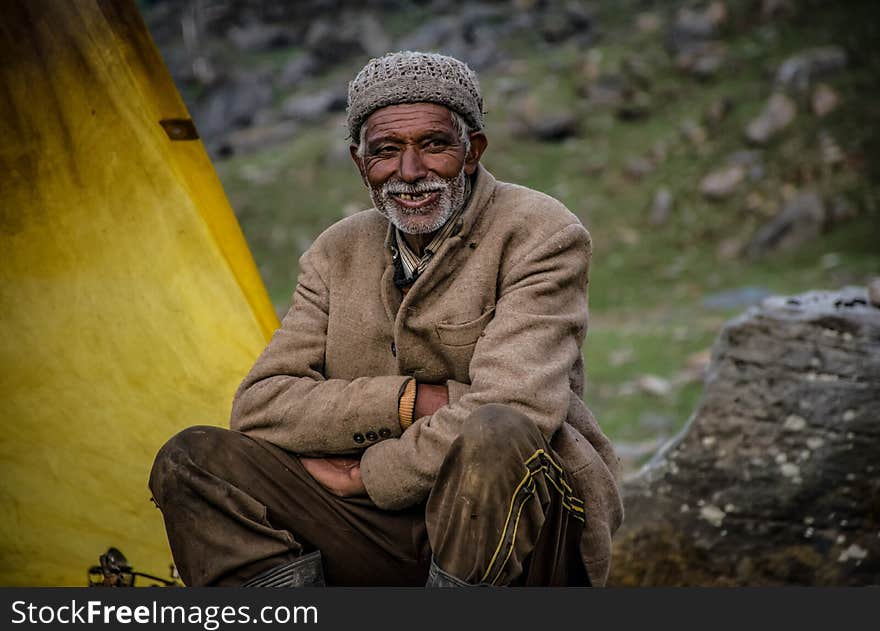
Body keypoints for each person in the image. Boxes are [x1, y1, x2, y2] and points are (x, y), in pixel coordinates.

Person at [149, 51, 623, 587]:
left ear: (473, 152)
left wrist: (370, 473)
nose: (411, 172)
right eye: (387, 151)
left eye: (435, 145)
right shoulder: (336, 251)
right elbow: (261, 405)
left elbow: (516, 406)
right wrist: (410, 402)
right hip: (375, 529)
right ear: (360, 163)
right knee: (193, 459)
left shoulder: (540, 233)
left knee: (496, 432)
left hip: (520, 522)